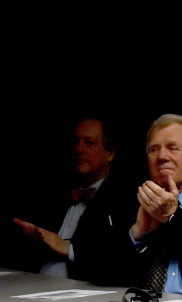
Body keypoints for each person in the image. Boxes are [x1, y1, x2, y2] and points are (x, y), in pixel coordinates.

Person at [9, 117, 134, 284]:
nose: (79, 149)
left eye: (89, 143)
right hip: (32, 285)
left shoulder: (123, 198)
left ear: (110, 153)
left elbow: (118, 261)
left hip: (84, 296)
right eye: (75, 142)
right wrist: (34, 239)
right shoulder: (52, 192)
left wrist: (69, 249)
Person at [128, 114, 182, 295]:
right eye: (154, 149)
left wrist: (172, 216)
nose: (162, 156)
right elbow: (103, 272)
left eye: (172, 148)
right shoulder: (137, 198)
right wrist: (138, 234)